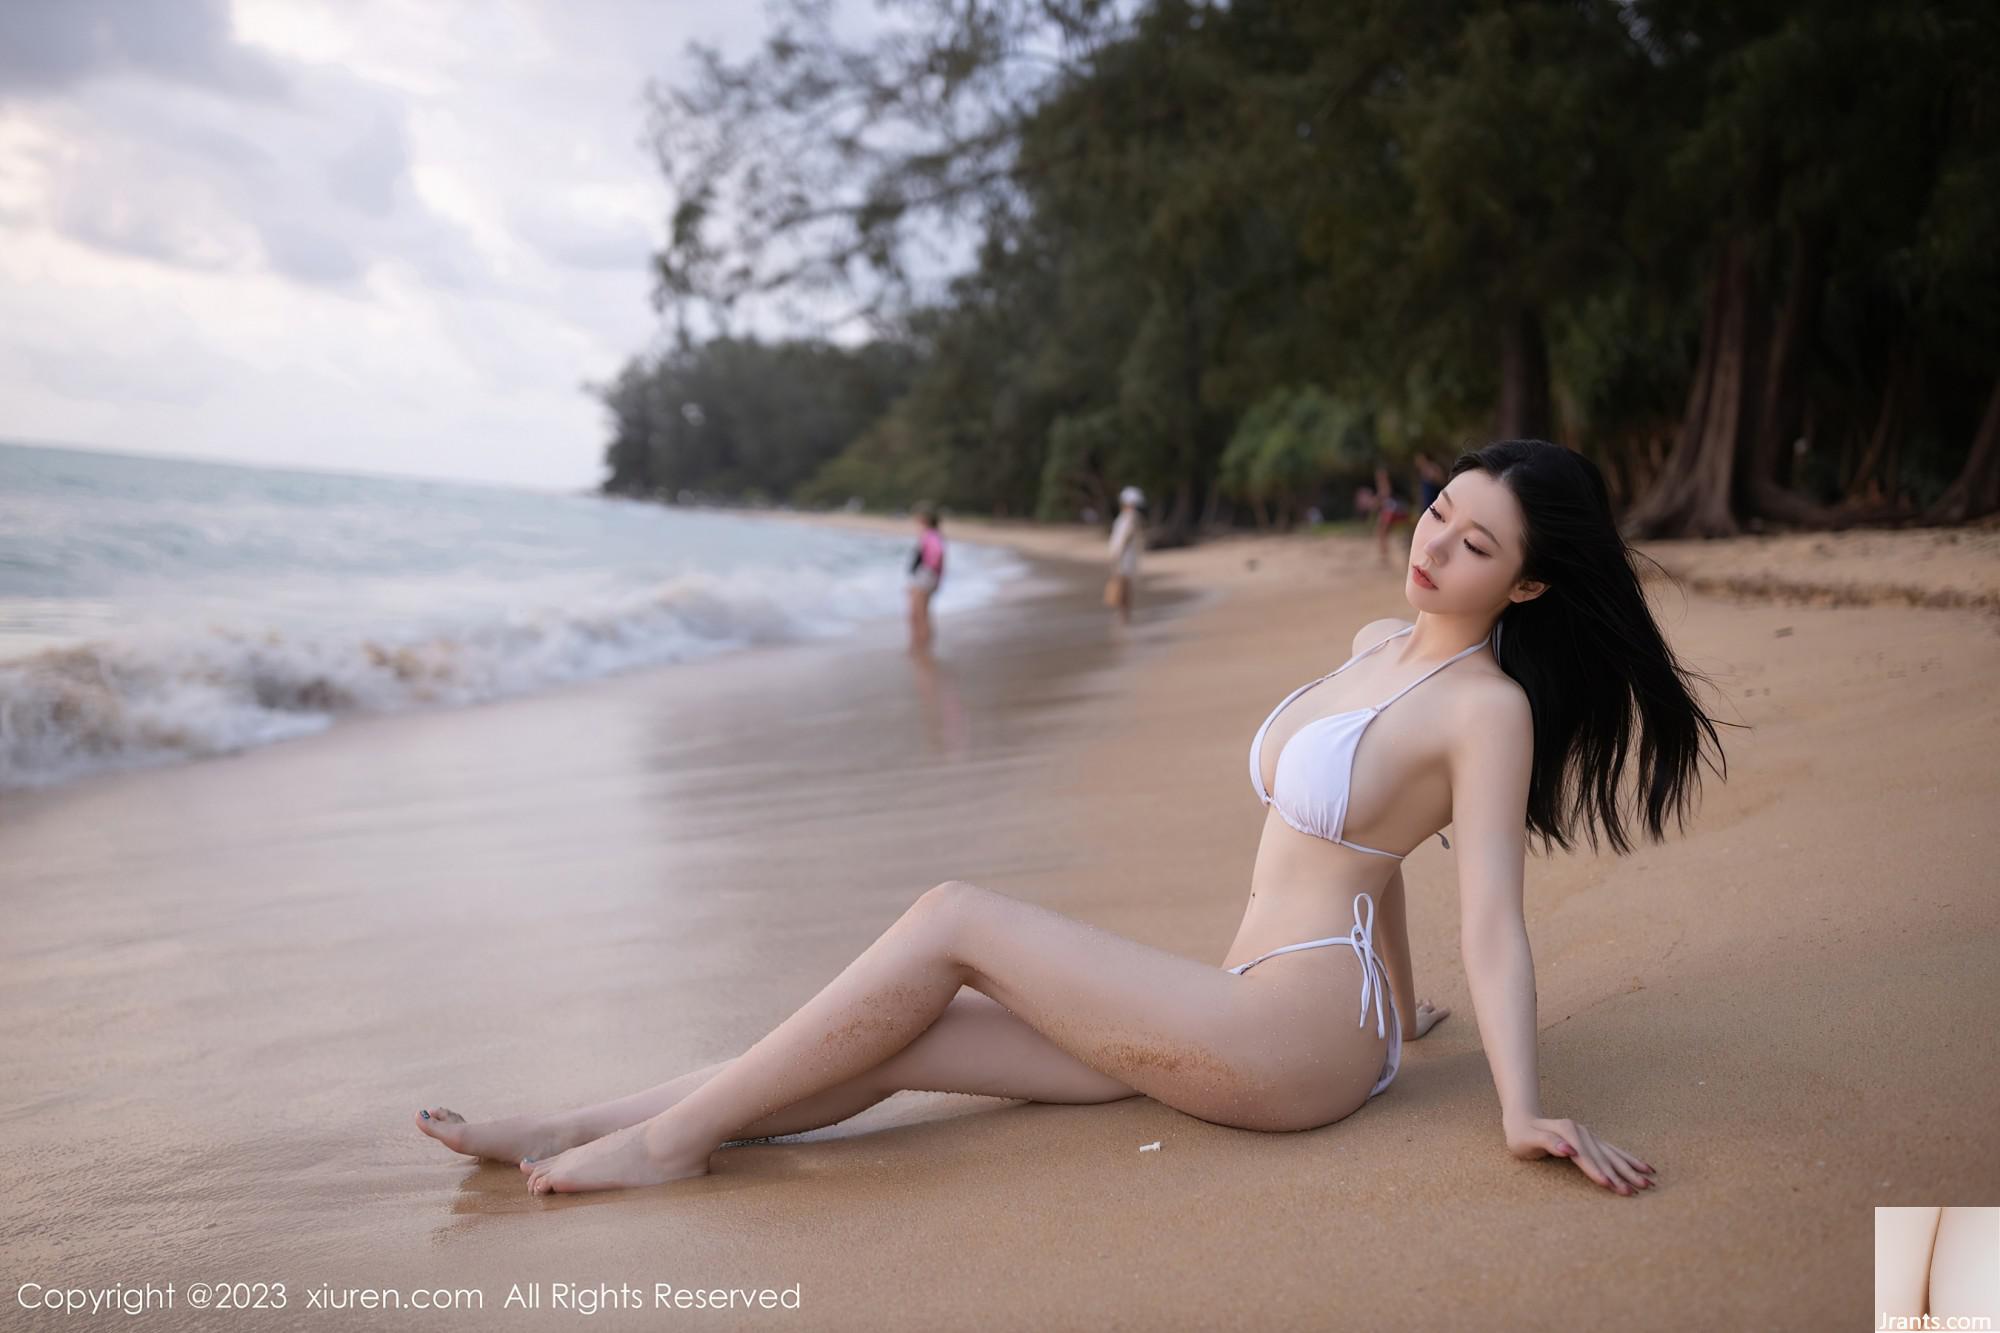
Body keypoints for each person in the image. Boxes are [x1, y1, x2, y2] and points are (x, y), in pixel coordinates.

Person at [417, 439, 1731, 1198]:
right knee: (913, 1024)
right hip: (1266, 1001)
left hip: (1292, 1045)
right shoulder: (1377, 640)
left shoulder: (1484, 709)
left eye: (1476, 545)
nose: (1435, 546)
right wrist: (1404, 999)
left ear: (1532, 581)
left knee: (952, 919)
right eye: (1440, 510)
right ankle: (577, 1122)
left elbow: (1492, 916)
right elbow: (1372, 849)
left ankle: (671, 1146)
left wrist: (1519, 1108)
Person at [905, 502, 945, 649]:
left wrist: (927, 570)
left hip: (925, 576)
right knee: (921, 612)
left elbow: (937, 554)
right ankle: (923, 643)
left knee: (917, 613)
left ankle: (921, 645)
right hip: (928, 576)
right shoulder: (933, 535)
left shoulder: (930, 535)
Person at [1105, 486, 1145, 624]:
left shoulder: (1130, 516)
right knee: (1123, 586)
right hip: (1124, 556)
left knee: (1124, 586)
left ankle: (1124, 616)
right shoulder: (1128, 516)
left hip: (1125, 557)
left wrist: (1118, 554)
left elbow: (1127, 535)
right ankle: (1123, 615)